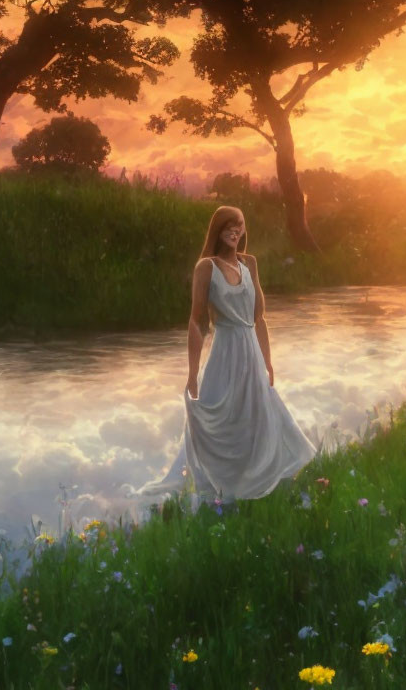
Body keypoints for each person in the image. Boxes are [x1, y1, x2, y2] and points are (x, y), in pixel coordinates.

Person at [133, 205, 319, 500]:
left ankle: (254, 483)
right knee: (220, 417)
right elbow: (196, 321)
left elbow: (259, 318)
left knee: (257, 415)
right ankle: (220, 487)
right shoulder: (206, 267)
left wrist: (268, 361)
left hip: (251, 351)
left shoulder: (250, 265)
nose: (235, 230)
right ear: (217, 230)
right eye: (228, 225)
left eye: (240, 225)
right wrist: (192, 373)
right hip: (224, 351)